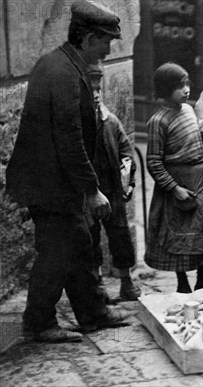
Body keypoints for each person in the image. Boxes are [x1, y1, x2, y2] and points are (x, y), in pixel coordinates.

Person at [5, 0, 136, 342]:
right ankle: (39, 323)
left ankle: (93, 313)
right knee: (57, 252)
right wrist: (91, 189)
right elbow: (69, 138)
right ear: (89, 38)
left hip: (55, 181)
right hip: (49, 184)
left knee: (77, 243)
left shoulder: (61, 64)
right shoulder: (62, 73)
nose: (109, 50)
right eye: (107, 42)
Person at [145, 62, 203, 293]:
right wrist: (175, 188)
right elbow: (153, 162)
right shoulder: (158, 121)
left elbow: (198, 145)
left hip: (198, 177)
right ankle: (182, 282)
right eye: (179, 86)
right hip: (177, 183)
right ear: (165, 89)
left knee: (202, 230)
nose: (186, 90)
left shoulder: (188, 110)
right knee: (178, 234)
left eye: (187, 84)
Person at [87, 65, 141, 301]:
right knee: (90, 239)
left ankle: (126, 282)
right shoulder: (77, 126)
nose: (96, 95)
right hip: (88, 193)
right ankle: (96, 284)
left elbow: (126, 153)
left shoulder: (111, 122)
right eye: (91, 90)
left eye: (99, 90)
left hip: (112, 191)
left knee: (120, 236)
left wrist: (127, 181)